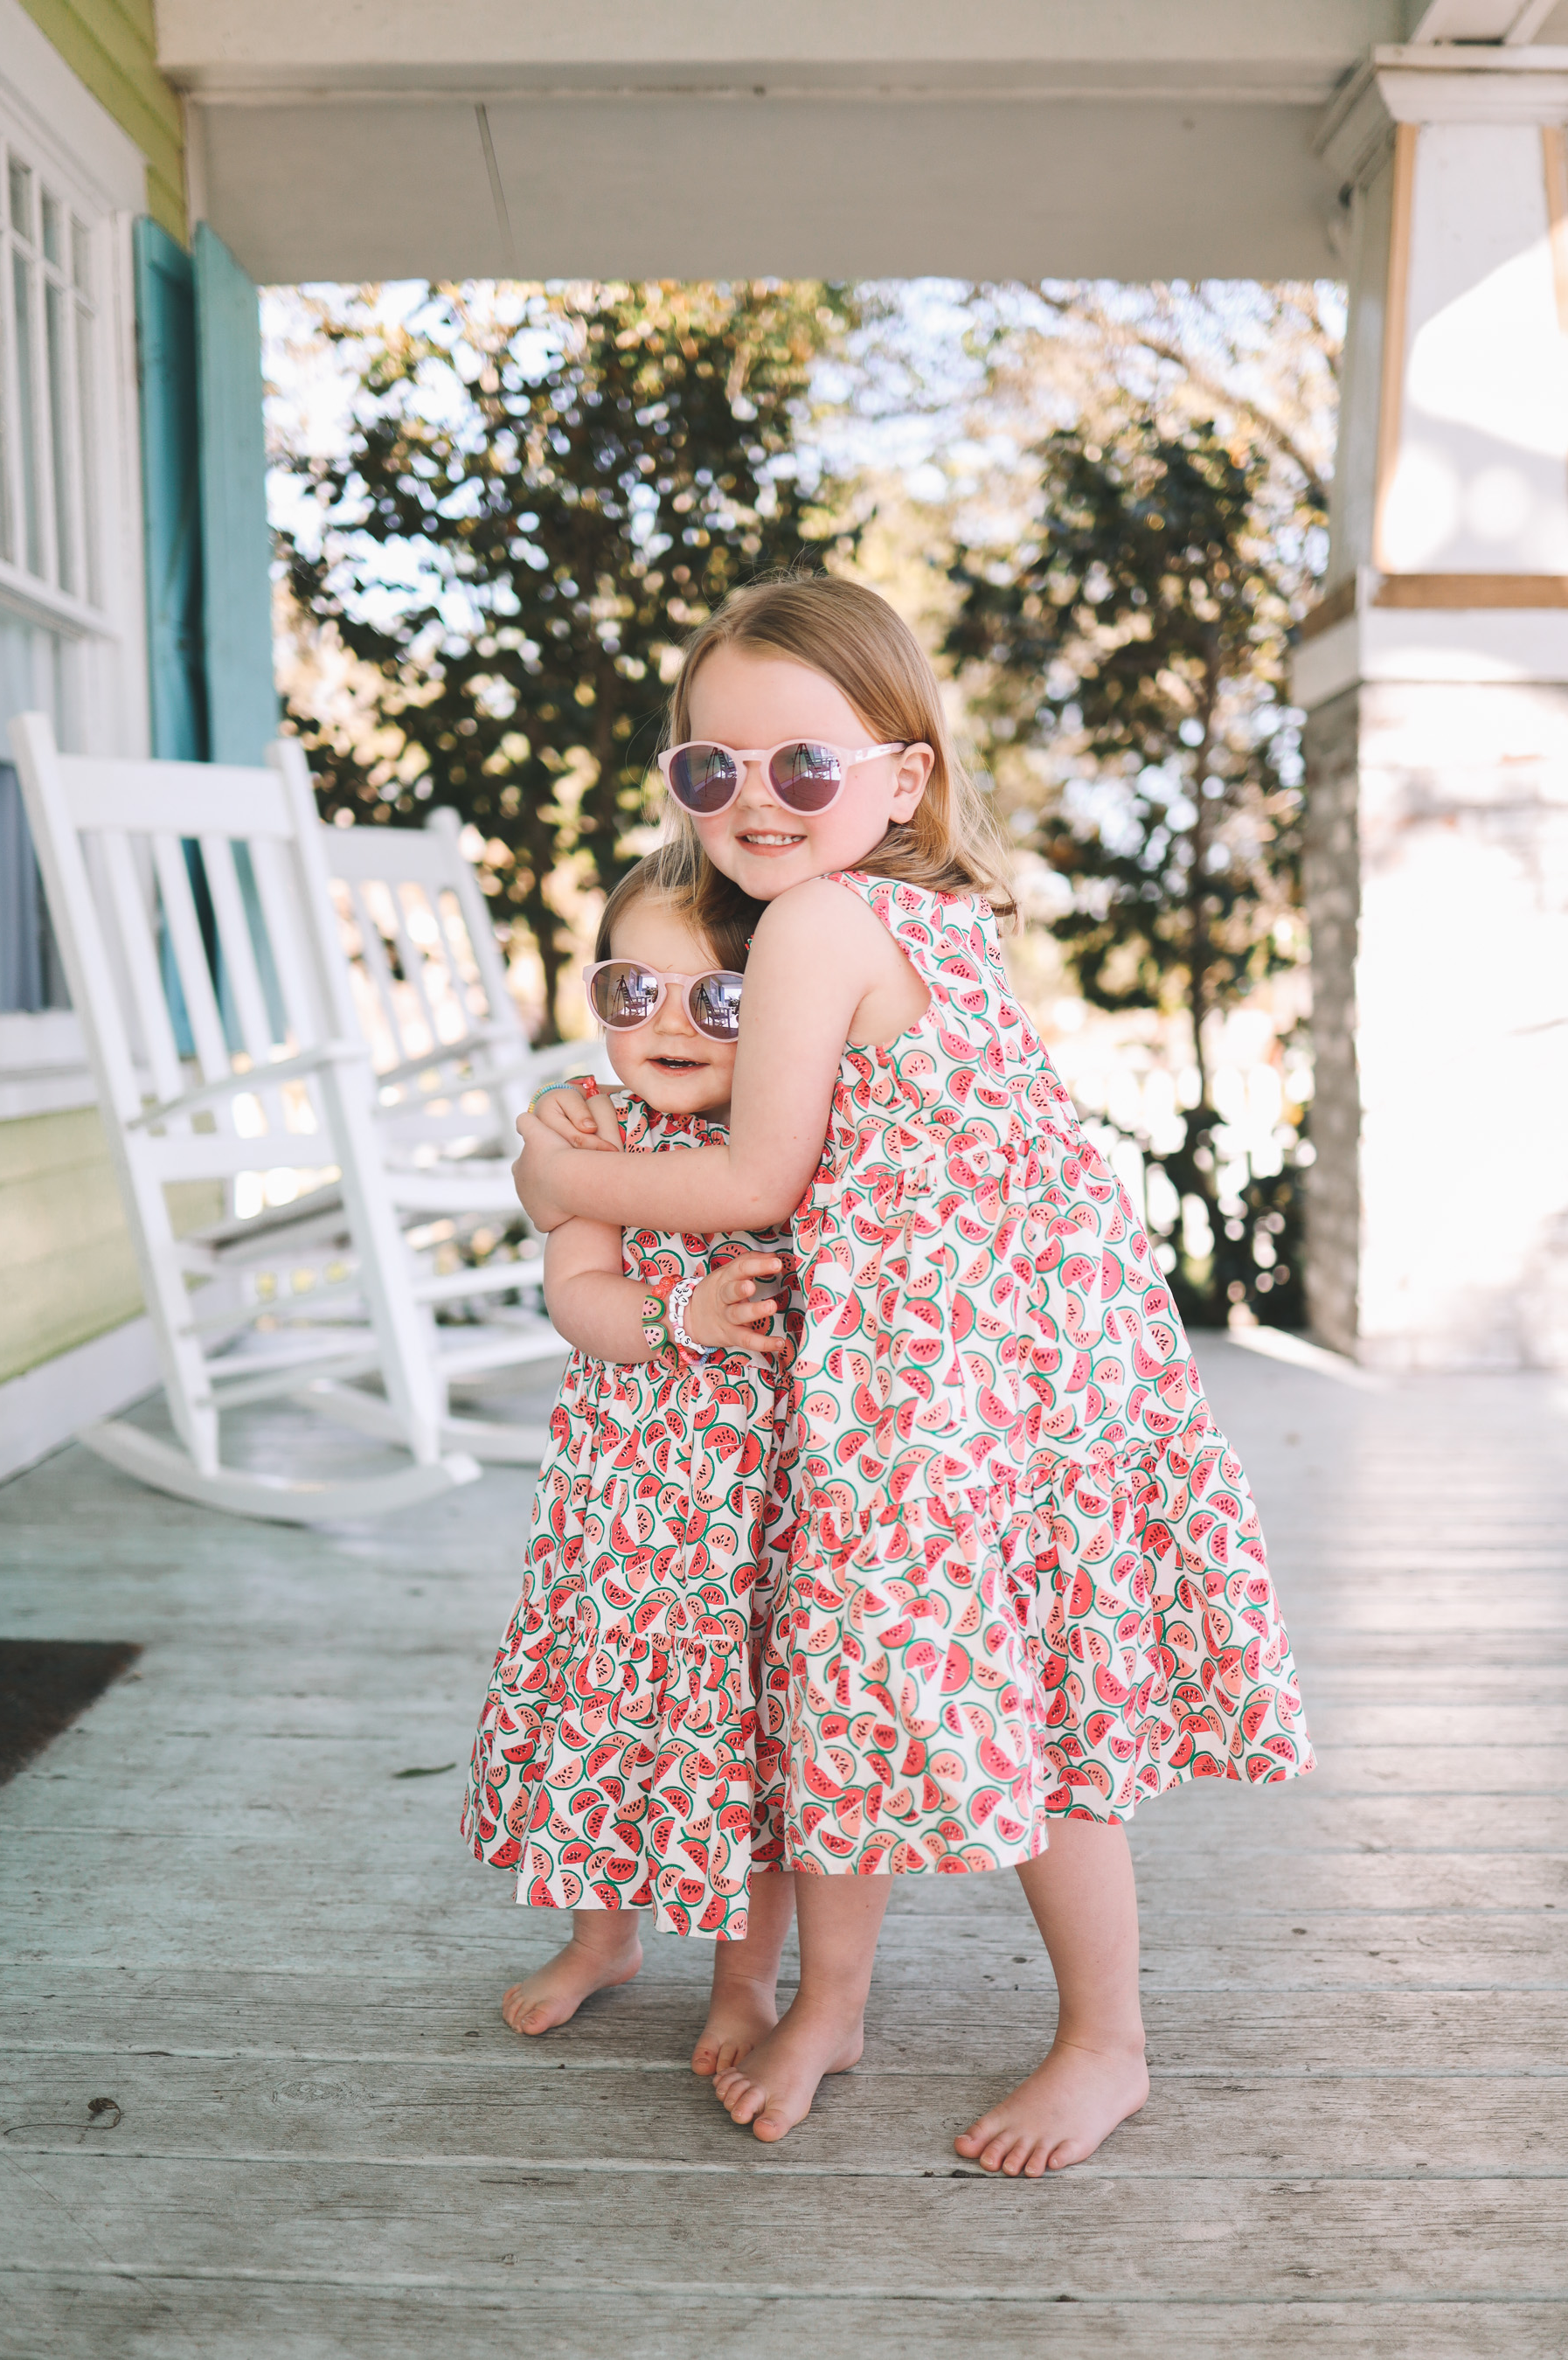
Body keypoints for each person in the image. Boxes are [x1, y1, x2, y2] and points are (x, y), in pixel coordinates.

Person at [514, 575, 1315, 2173]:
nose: (754, 800)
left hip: (944, 1390)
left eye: (803, 766)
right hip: (995, 1372)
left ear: (904, 776)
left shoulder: (821, 921)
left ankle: (1106, 2040)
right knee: (886, 1680)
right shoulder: (929, 914)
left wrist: (562, 1189)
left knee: (1011, 1704)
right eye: (708, 768)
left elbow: (754, 1179)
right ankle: (834, 2005)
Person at [462, 848, 801, 2084]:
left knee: (746, 1754)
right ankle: (601, 1939)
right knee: (607, 1732)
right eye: (630, 991)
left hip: (759, 1530)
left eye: (719, 999)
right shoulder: (593, 1129)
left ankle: (748, 1981)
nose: (667, 1023)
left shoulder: (797, 1128)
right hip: (623, 1519)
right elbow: (578, 1291)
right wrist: (680, 1325)